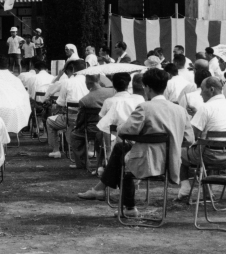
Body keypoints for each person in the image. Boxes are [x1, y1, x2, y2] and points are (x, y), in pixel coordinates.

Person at [78, 68, 194, 218]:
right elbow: (189, 139)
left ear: (147, 88)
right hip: (170, 163)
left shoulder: (145, 108)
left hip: (146, 162)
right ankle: (105, 192)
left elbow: (124, 132)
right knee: (122, 150)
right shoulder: (180, 110)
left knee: (122, 154)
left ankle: (121, 201)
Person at [177, 76, 226, 201]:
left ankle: (184, 188)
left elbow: (191, 137)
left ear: (211, 89)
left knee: (179, 151)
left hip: (207, 155)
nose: (200, 93)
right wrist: (196, 115)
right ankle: (207, 190)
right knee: (209, 145)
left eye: (202, 89)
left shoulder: (206, 108)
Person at [70, 74, 114, 170]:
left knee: (74, 135)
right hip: (113, 127)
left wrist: (76, 126)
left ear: (88, 83)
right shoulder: (113, 92)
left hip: (93, 129)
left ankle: (82, 163)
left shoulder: (84, 100)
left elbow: (80, 121)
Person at [46, 60, 88, 159]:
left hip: (72, 120)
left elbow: (59, 104)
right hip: (89, 121)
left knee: (49, 121)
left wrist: (57, 110)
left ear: (72, 69)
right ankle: (89, 149)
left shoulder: (67, 82)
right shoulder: (90, 81)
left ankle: (56, 150)